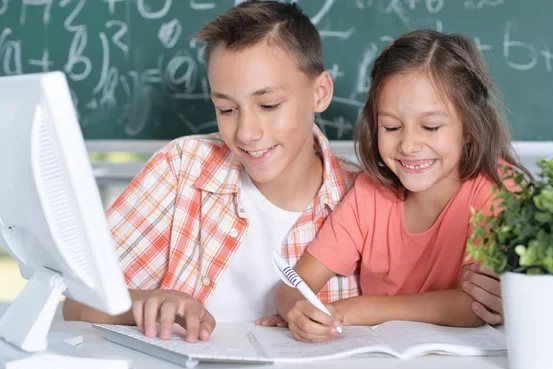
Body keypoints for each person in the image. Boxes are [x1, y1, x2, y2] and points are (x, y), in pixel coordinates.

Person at [63, 3, 503, 340]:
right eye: (226, 108)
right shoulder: (182, 170)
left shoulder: (367, 193)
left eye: (269, 105)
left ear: (320, 92)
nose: (248, 132)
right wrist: (145, 304)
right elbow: (73, 302)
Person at [274, 29, 527, 343]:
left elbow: (473, 306)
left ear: (469, 128)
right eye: (391, 127)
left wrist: (354, 311)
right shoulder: (371, 193)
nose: (408, 145)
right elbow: (294, 285)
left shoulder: (497, 191)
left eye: (430, 126)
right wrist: (298, 311)